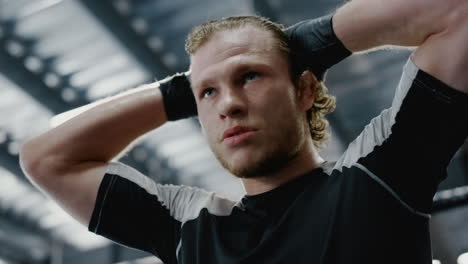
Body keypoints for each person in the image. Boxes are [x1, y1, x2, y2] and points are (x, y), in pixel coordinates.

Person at [19, 0, 468, 263]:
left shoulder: (377, 177)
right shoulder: (192, 232)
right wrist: (181, 90)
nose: (228, 103)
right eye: (208, 94)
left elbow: (456, 13)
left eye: (250, 76)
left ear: (305, 89)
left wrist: (312, 42)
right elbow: (44, 159)